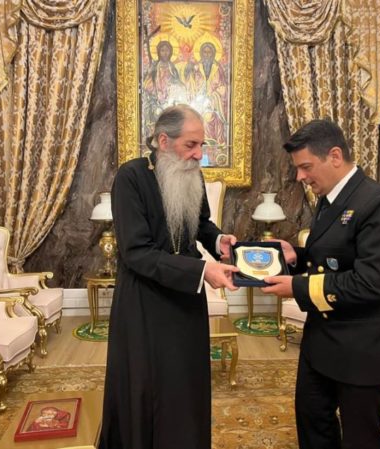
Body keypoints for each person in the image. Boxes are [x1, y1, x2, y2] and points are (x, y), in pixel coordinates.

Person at [262, 119, 380, 449]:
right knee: (312, 420)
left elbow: (372, 282)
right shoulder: (330, 198)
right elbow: (333, 259)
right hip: (324, 339)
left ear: (334, 156)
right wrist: (297, 257)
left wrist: (297, 288)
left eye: (305, 167)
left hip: (365, 346)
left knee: (360, 438)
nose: (300, 177)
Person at [99, 105, 239, 449]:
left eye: (202, 145)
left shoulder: (193, 174)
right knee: (148, 388)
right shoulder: (131, 177)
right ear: (163, 141)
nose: (199, 154)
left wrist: (218, 240)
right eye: (191, 145)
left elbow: (200, 223)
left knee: (185, 385)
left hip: (186, 299)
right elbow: (136, 252)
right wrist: (202, 270)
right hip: (146, 302)